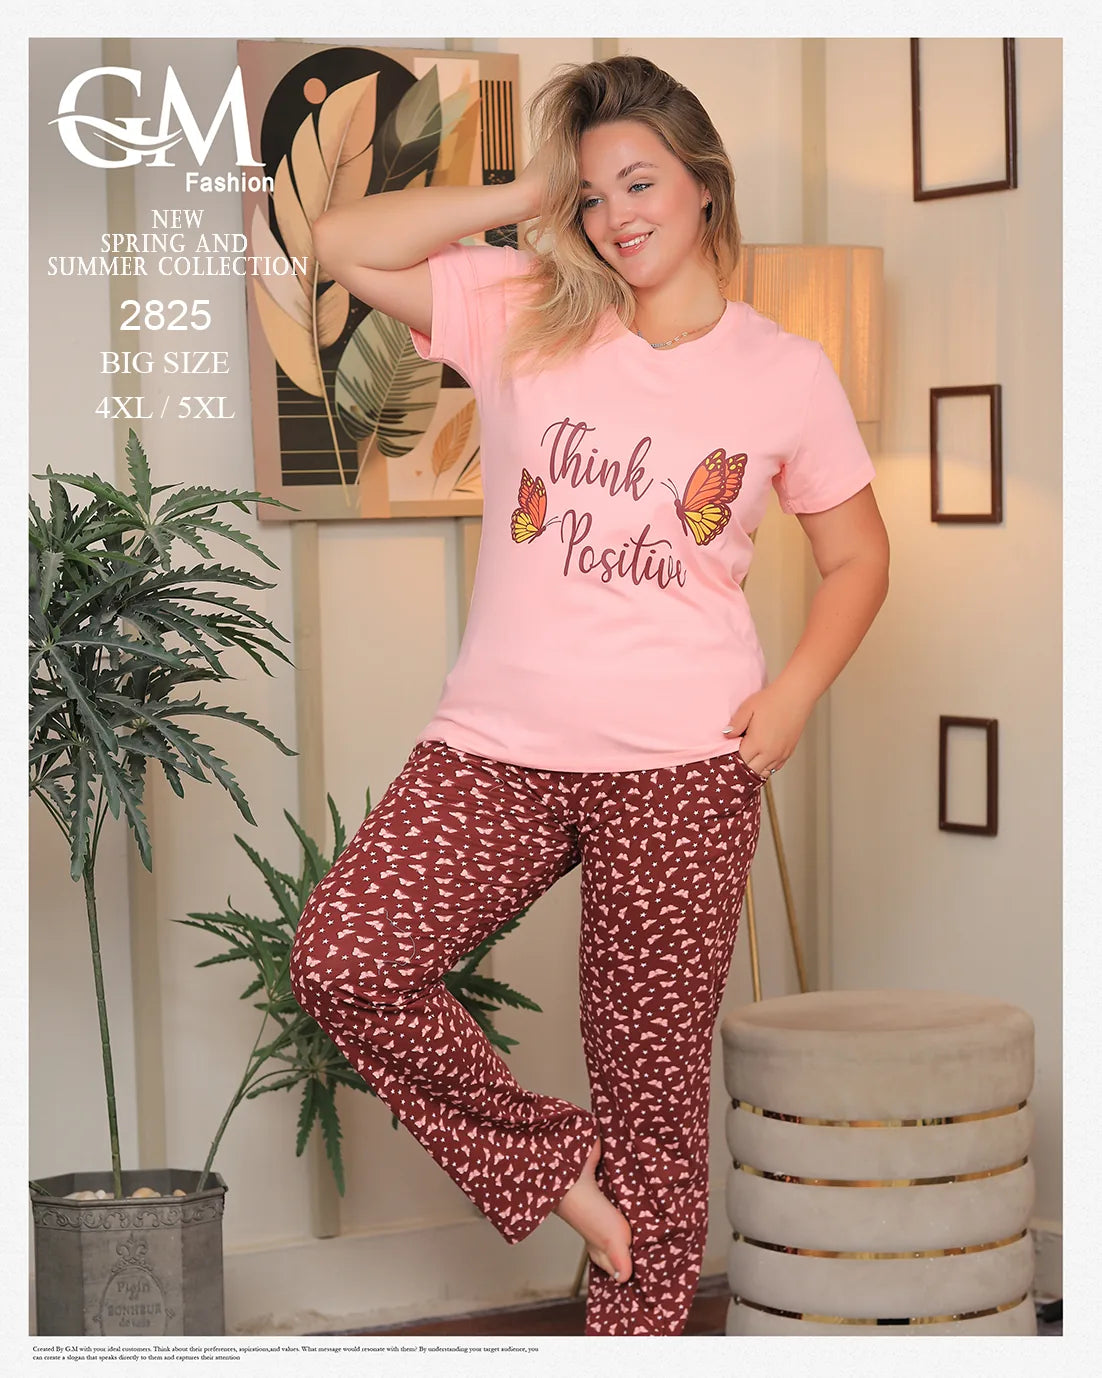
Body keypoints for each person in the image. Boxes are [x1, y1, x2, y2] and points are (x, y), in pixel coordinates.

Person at [290, 55, 889, 1336]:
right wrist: (523, 193)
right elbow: (337, 241)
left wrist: (792, 693)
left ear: (703, 185)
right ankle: (555, 1169)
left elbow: (858, 557)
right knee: (346, 956)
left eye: (641, 183)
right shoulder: (523, 306)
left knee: (652, 1099)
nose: (618, 216)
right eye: (594, 191)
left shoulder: (784, 371)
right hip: (495, 748)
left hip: (683, 767)